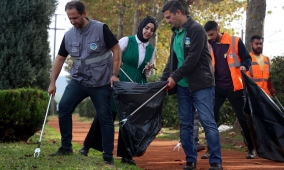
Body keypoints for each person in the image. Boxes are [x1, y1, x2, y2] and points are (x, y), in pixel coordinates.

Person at [47, 1, 121, 165]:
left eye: (75, 17)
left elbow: (116, 49)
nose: (73, 21)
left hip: (101, 82)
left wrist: (114, 74)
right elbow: (60, 58)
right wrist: (52, 82)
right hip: (79, 80)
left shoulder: (101, 29)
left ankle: (108, 156)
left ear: (84, 14)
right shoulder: (68, 35)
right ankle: (66, 147)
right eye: (70, 18)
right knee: (64, 107)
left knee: (105, 118)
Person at [78, 16, 157, 165]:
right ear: (141, 27)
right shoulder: (127, 40)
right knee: (107, 114)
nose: (148, 32)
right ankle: (87, 146)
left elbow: (145, 73)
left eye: (152, 30)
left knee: (129, 120)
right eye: (147, 28)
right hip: (119, 81)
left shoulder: (151, 50)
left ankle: (126, 156)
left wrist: (147, 69)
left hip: (136, 85)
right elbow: (112, 56)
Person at [160, 1, 223, 170]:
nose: (167, 21)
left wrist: (174, 76)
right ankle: (190, 160)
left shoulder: (196, 30)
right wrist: (162, 81)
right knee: (186, 124)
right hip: (182, 86)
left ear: (178, 13)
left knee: (207, 121)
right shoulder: (176, 33)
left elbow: (192, 59)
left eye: (168, 17)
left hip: (201, 84)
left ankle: (216, 161)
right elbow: (171, 61)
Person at [203, 21, 255, 159]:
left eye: (212, 34)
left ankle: (251, 148)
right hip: (217, 88)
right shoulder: (209, 45)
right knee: (211, 118)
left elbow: (247, 58)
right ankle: (210, 149)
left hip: (235, 87)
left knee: (243, 118)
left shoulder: (235, 41)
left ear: (218, 30)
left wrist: (244, 66)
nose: (210, 37)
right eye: (208, 36)